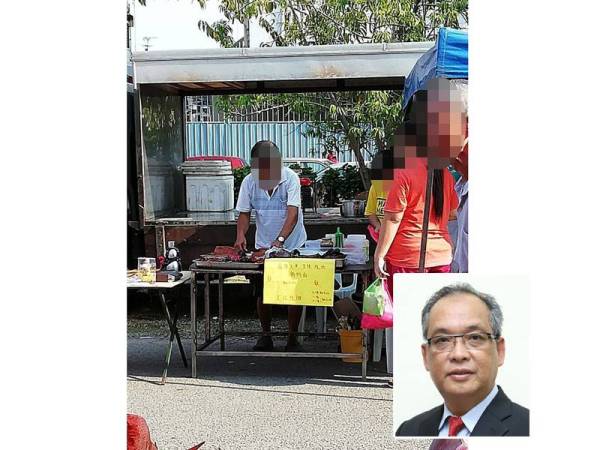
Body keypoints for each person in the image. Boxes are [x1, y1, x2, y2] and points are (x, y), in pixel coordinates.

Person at [395, 283, 529, 437]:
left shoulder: (528, 429)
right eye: (443, 340)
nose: (458, 354)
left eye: (474, 337)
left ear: (499, 350)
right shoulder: (409, 430)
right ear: (426, 356)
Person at [234, 140, 307, 351]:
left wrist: (281, 240)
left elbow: (293, 214)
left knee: (294, 292)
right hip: (262, 245)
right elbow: (244, 213)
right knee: (263, 292)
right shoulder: (249, 181)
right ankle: (266, 335)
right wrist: (240, 235)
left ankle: (293, 338)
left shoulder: (290, 178)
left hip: (292, 244)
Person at [365, 149, 393, 242]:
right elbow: (370, 212)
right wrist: (378, 225)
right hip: (383, 237)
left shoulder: (401, 187)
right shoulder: (376, 186)